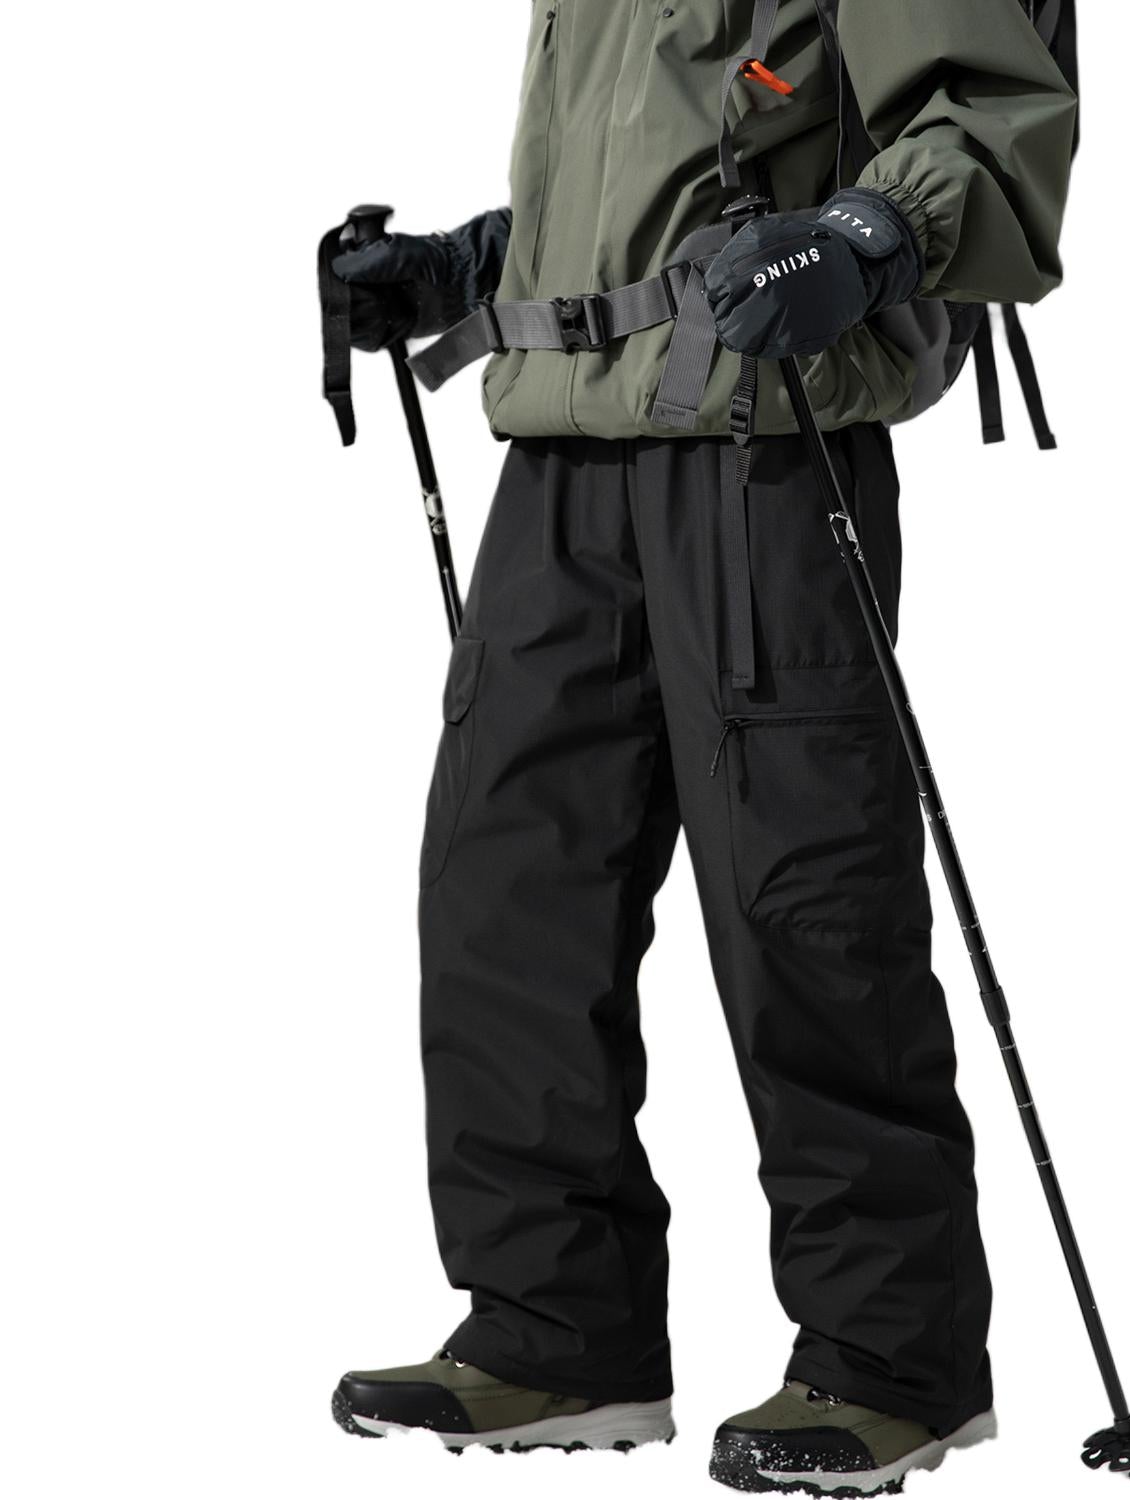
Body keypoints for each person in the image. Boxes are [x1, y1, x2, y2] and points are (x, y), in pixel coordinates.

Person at [328, 1, 1074, 1489]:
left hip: (763, 442)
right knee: (502, 899)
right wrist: (464, 269)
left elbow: (990, 111)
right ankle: (555, 1330)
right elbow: (654, 173)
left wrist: (863, 235)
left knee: (805, 907)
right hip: (562, 454)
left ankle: (892, 1362)